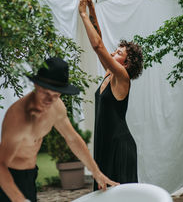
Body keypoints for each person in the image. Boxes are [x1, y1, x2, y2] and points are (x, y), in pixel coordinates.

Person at [0, 57, 119, 202]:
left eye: (55, 95)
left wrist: (96, 172)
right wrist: (19, 199)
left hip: (30, 174)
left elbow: (73, 139)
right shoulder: (17, 117)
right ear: (37, 86)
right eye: (46, 93)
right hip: (8, 176)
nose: (49, 100)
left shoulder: (56, 107)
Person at [79, 0, 143, 191]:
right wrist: (91, 7)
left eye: (119, 53)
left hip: (120, 148)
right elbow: (100, 40)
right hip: (106, 145)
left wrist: (82, 14)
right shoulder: (109, 73)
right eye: (116, 50)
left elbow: (98, 46)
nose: (114, 52)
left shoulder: (122, 77)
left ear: (127, 62)